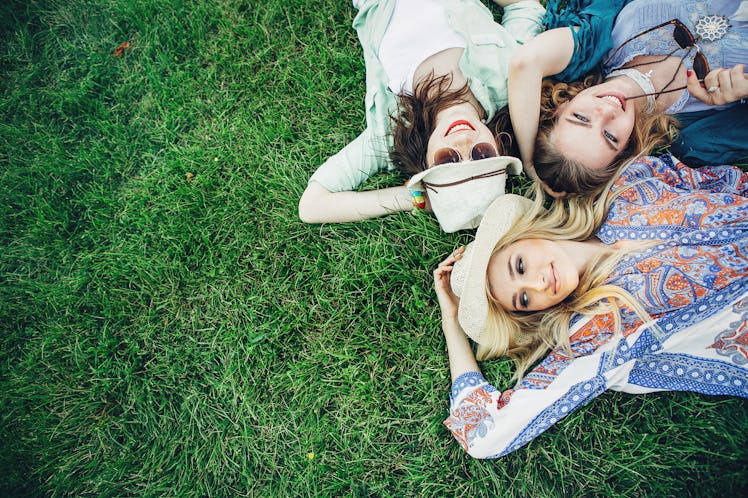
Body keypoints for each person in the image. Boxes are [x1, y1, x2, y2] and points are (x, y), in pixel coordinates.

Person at [433, 153, 747, 458]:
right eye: (524, 299)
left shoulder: (629, 187)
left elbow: (720, 181)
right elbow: (483, 437)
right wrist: (450, 320)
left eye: (520, 266)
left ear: (523, 235)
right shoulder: (595, 328)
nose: (538, 283)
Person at [298, 0, 545, 232]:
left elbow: (312, 206)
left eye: (448, 160)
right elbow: (524, 7)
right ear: (499, 149)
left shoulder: (389, 134)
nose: (463, 142)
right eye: (482, 154)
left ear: (426, 163)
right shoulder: (510, 81)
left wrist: (415, 197)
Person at [507, 0, 748, 196]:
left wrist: (528, 162)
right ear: (627, 149)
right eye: (610, 136)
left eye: (580, 117)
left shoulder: (594, 46)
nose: (606, 113)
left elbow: (526, 62)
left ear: (561, 107)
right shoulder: (699, 133)